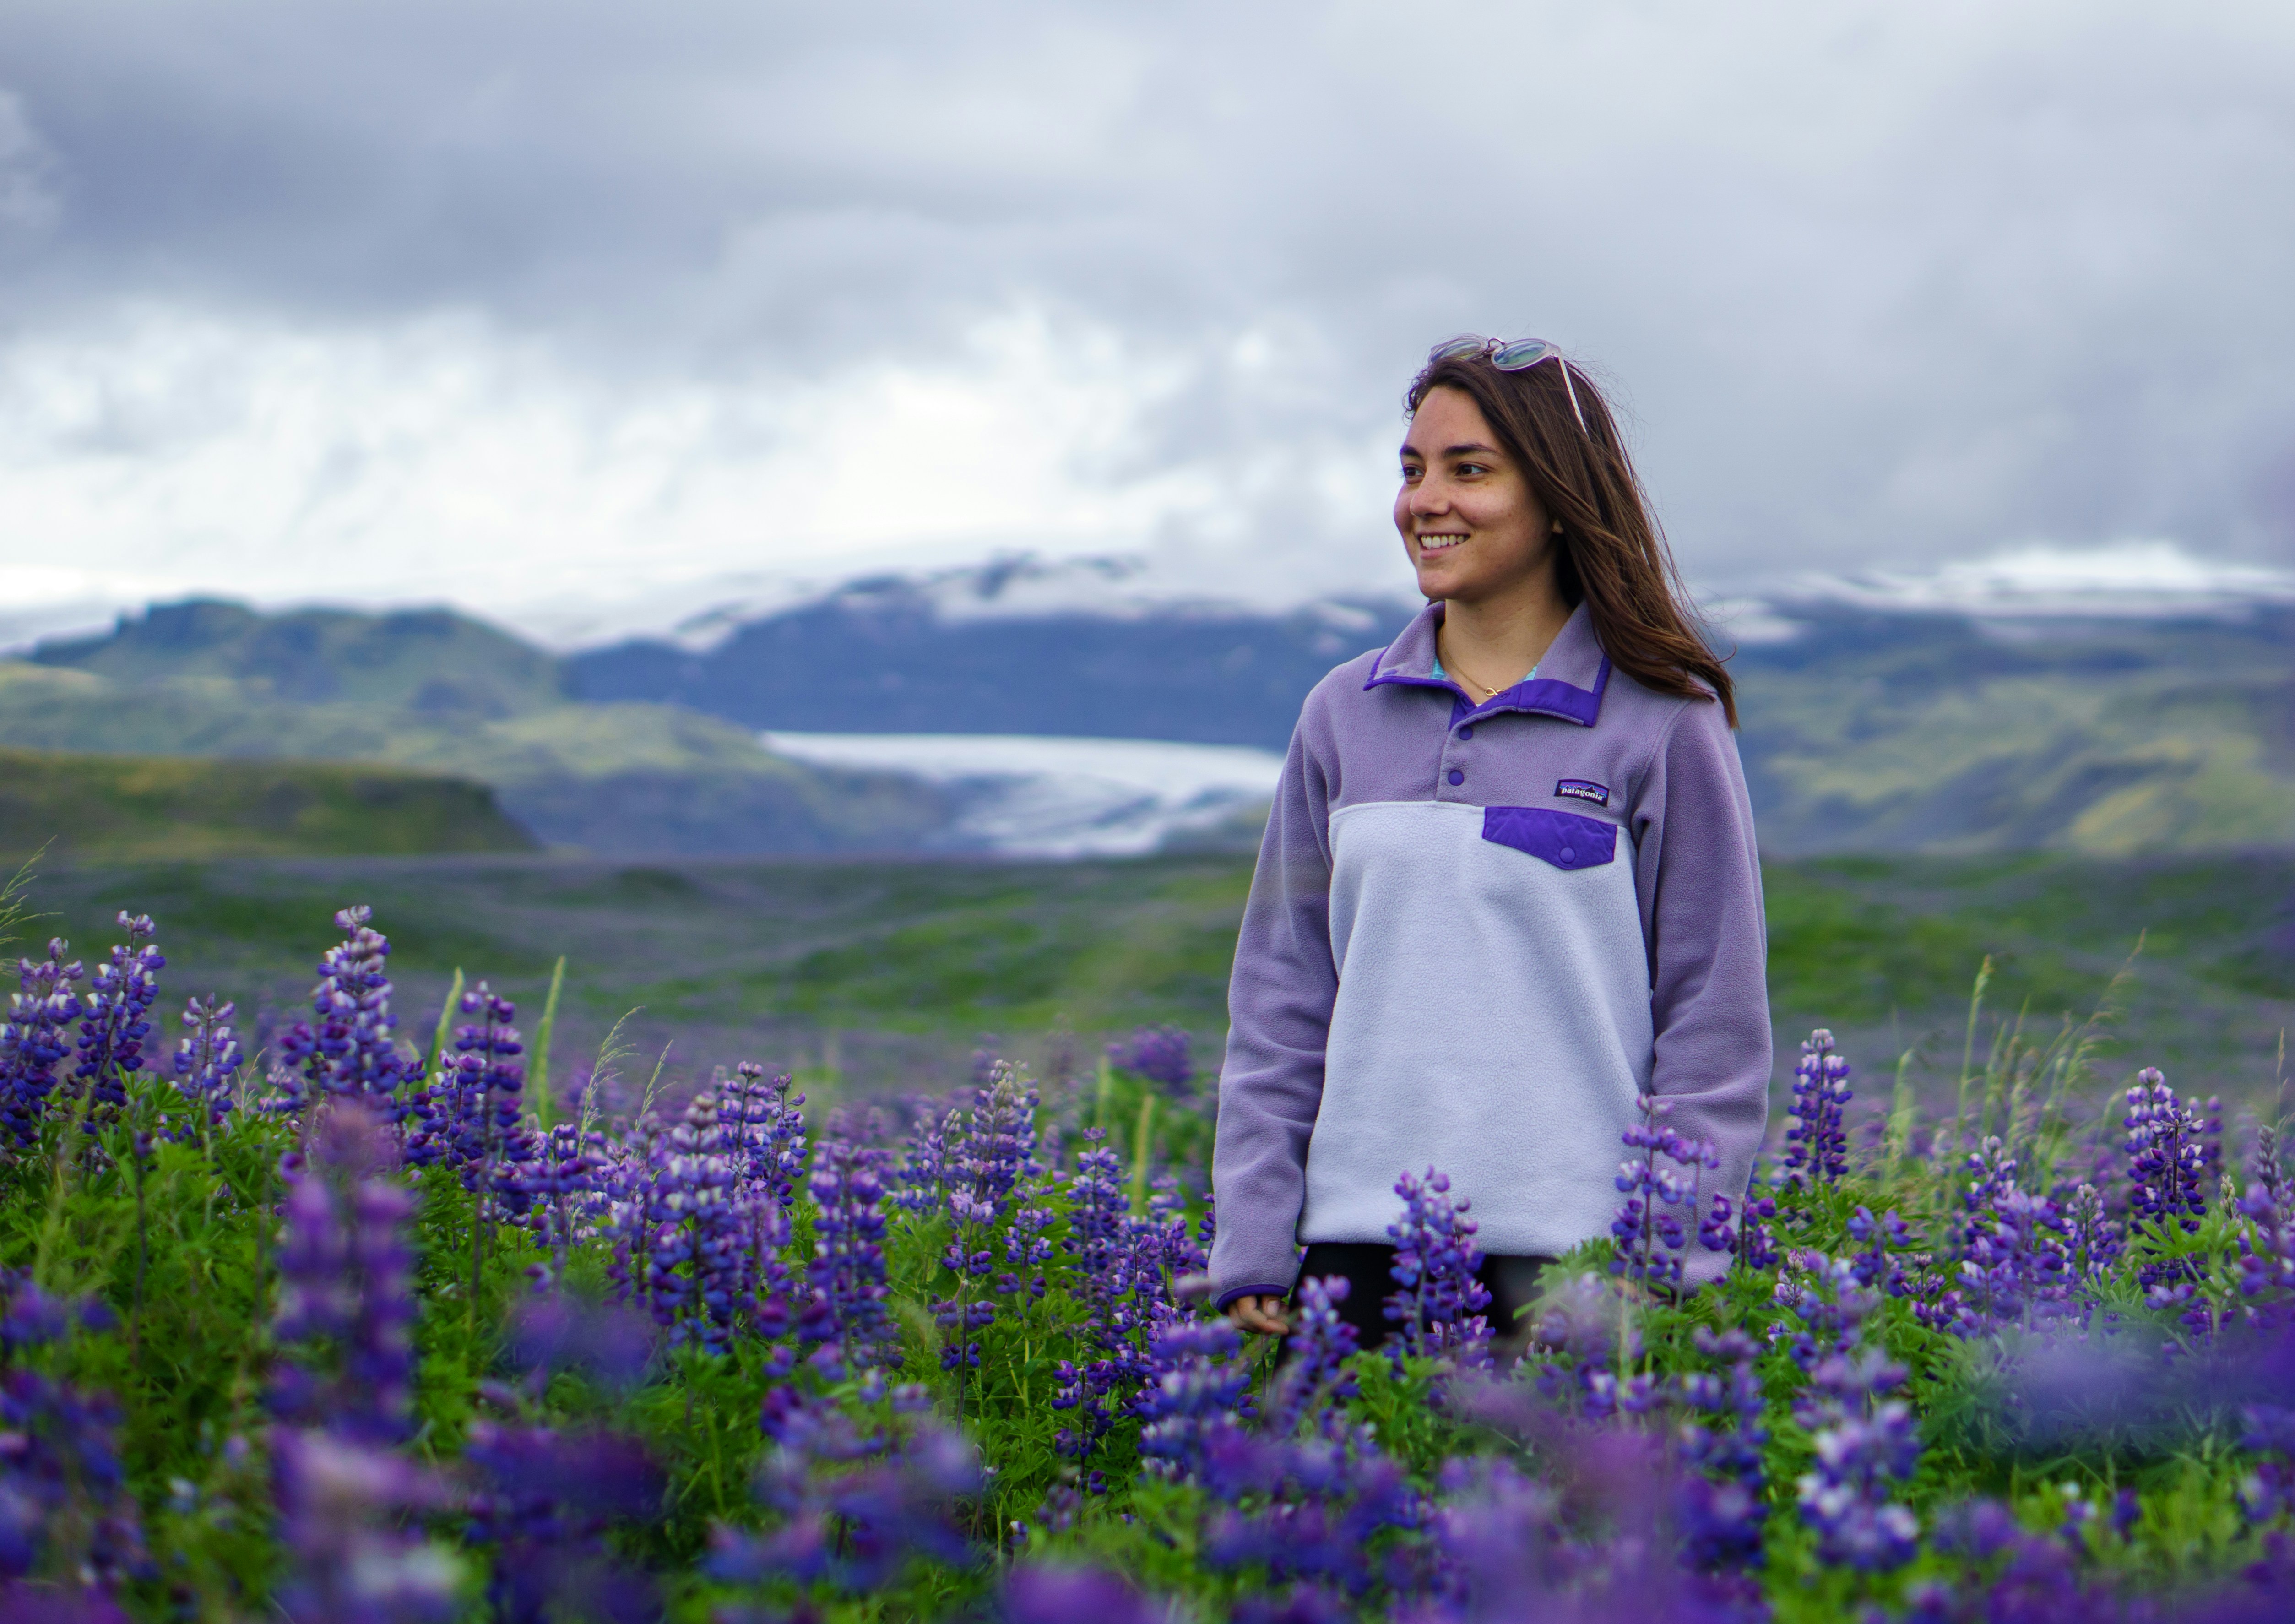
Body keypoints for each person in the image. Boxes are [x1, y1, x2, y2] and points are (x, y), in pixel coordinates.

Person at [1208, 335, 1772, 1356]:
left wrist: (1670, 1258)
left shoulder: (1659, 720)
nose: (1426, 500)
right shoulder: (1342, 713)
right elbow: (1281, 1001)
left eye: (1469, 470)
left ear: (1556, 495)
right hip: (1351, 1257)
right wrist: (1254, 1237)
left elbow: (1711, 1019)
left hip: (1577, 1266)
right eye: (1412, 469)